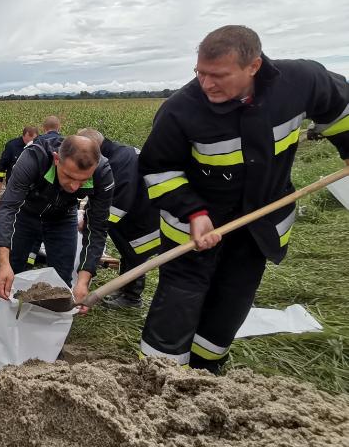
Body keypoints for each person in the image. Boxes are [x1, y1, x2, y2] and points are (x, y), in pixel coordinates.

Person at [138, 25, 349, 372]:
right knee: (179, 302)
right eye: (200, 73)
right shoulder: (181, 110)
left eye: (218, 75)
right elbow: (158, 170)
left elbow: (340, 112)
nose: (206, 84)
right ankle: (156, 377)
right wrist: (194, 213)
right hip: (192, 231)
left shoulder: (302, 81)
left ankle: (206, 373)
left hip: (259, 225)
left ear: (253, 66)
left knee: (231, 302)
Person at [0, 134, 114, 304]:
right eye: (69, 177)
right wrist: (3, 264)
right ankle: (10, 314)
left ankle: (51, 321)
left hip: (63, 217)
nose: (74, 187)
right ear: (57, 159)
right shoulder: (34, 158)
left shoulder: (102, 172)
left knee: (62, 277)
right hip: (26, 213)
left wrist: (83, 281)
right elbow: (7, 208)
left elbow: (97, 228)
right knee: (13, 267)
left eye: (83, 181)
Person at [77, 129, 160, 309]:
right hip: (134, 215)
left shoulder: (122, 159)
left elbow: (120, 197)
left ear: (95, 147)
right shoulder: (116, 155)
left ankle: (132, 298)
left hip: (142, 217)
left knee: (136, 254)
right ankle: (125, 289)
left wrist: (94, 222)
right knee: (128, 253)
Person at [0, 126, 39, 192]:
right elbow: (3, 164)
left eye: (33, 140)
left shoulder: (40, 145)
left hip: (33, 184)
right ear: (23, 136)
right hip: (14, 183)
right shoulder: (11, 146)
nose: (31, 143)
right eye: (28, 140)